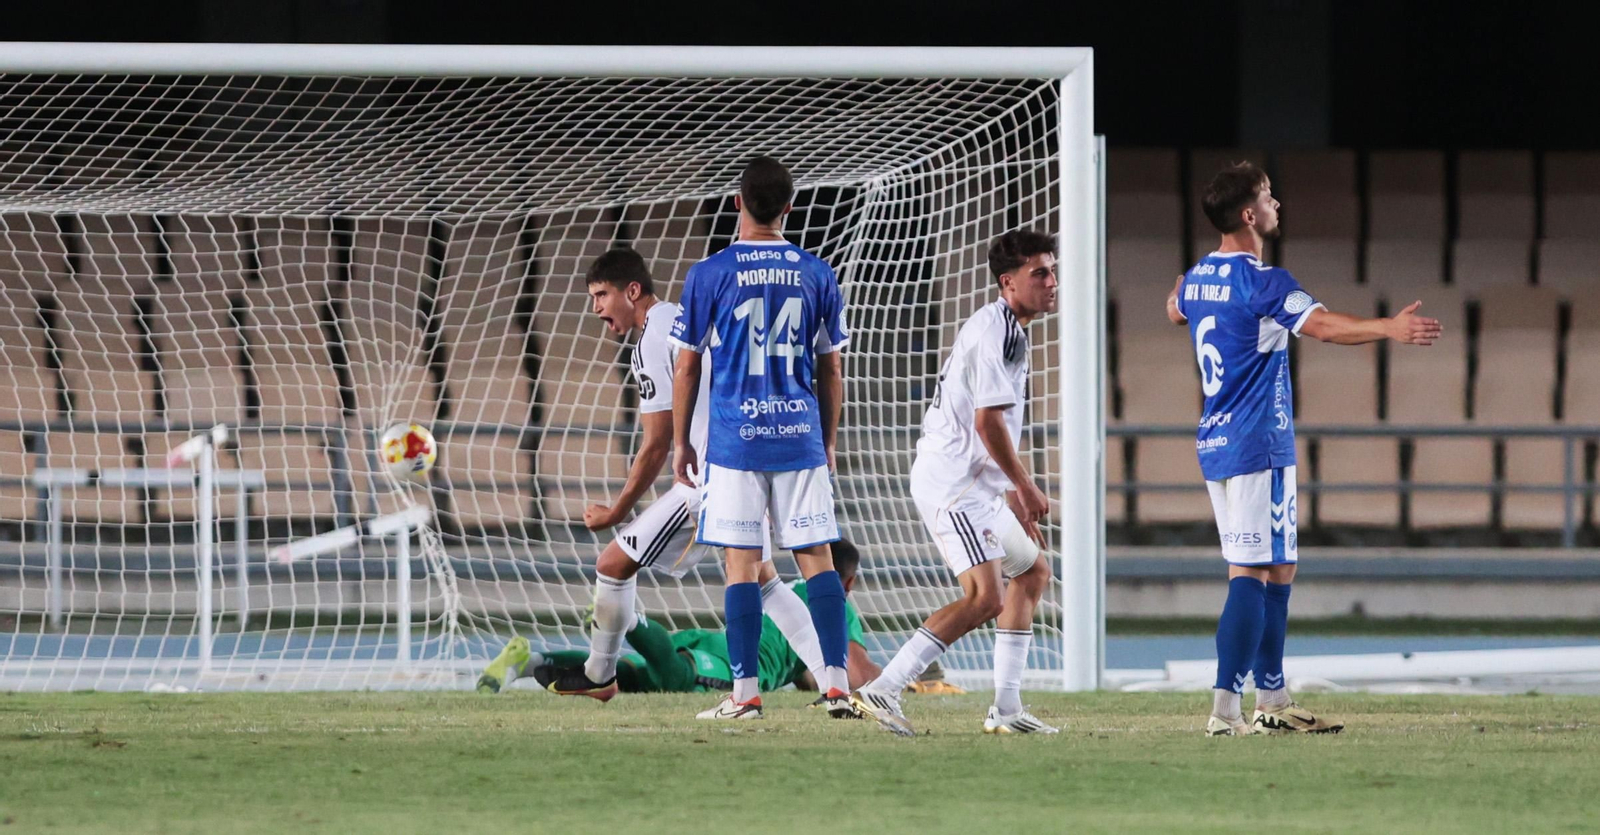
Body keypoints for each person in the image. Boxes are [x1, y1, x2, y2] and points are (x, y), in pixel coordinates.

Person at [476, 247, 827, 699]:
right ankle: (832, 681)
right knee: (765, 582)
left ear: (633, 291)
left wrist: (617, 510)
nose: (595, 307)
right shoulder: (687, 320)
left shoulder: (653, 339)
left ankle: (600, 675)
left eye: (602, 295)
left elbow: (656, 441)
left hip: (708, 479)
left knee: (612, 565)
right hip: (743, 464)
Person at [1167, 161, 1441, 736]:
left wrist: (1189, 291)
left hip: (1218, 439)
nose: (1277, 204)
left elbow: (1175, 307)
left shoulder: (1197, 277)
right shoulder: (1265, 282)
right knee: (1249, 571)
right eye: (1268, 197)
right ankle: (1225, 711)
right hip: (1256, 443)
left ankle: (1272, 698)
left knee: (1279, 565)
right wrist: (1388, 328)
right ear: (1249, 214)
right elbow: (1324, 327)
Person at [850, 230, 1059, 737]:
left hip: (977, 486)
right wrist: (1025, 486)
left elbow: (988, 424)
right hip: (954, 486)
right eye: (1040, 273)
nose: (1052, 282)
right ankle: (883, 688)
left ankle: (1006, 709)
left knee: (1032, 572)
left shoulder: (1009, 328)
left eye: (1053, 271)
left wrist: (1009, 491)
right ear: (1008, 282)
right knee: (985, 597)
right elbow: (987, 423)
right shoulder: (996, 334)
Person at [669, 155, 852, 720]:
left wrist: (682, 441)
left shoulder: (709, 273)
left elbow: (686, 366)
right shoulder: (817, 272)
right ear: (789, 208)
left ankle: (745, 693)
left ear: (737, 202)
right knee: (817, 559)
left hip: (736, 440)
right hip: (798, 435)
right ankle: (837, 686)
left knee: (742, 564)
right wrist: (826, 441)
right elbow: (832, 369)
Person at [486, 539, 880, 696]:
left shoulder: (790, 590)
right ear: (849, 581)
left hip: (712, 642)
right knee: (676, 681)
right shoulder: (835, 601)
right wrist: (896, 684)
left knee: (632, 679)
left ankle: (528, 661)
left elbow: (808, 669)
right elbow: (857, 671)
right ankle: (627, 618)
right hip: (735, 662)